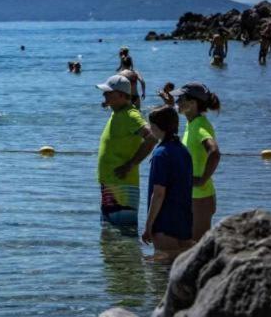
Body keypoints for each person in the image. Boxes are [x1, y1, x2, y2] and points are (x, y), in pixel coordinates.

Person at [95, 74, 158, 230]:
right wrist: (108, 102)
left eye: (109, 92)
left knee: (123, 236)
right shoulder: (117, 113)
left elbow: (152, 137)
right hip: (111, 186)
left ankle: (128, 256)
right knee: (110, 235)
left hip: (122, 188)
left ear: (122, 96)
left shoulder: (131, 115)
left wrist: (130, 165)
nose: (104, 94)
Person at [172, 83, 222, 241]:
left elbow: (214, 152)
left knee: (197, 248)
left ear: (193, 103)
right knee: (188, 246)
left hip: (201, 197)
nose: (177, 102)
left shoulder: (200, 126)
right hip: (193, 196)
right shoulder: (191, 123)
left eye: (181, 98)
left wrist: (201, 180)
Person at [142, 106, 194, 255]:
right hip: (184, 223)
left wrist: (148, 226)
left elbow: (158, 193)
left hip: (164, 224)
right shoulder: (184, 151)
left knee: (161, 273)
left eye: (151, 124)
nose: (150, 127)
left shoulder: (160, 154)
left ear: (158, 127)